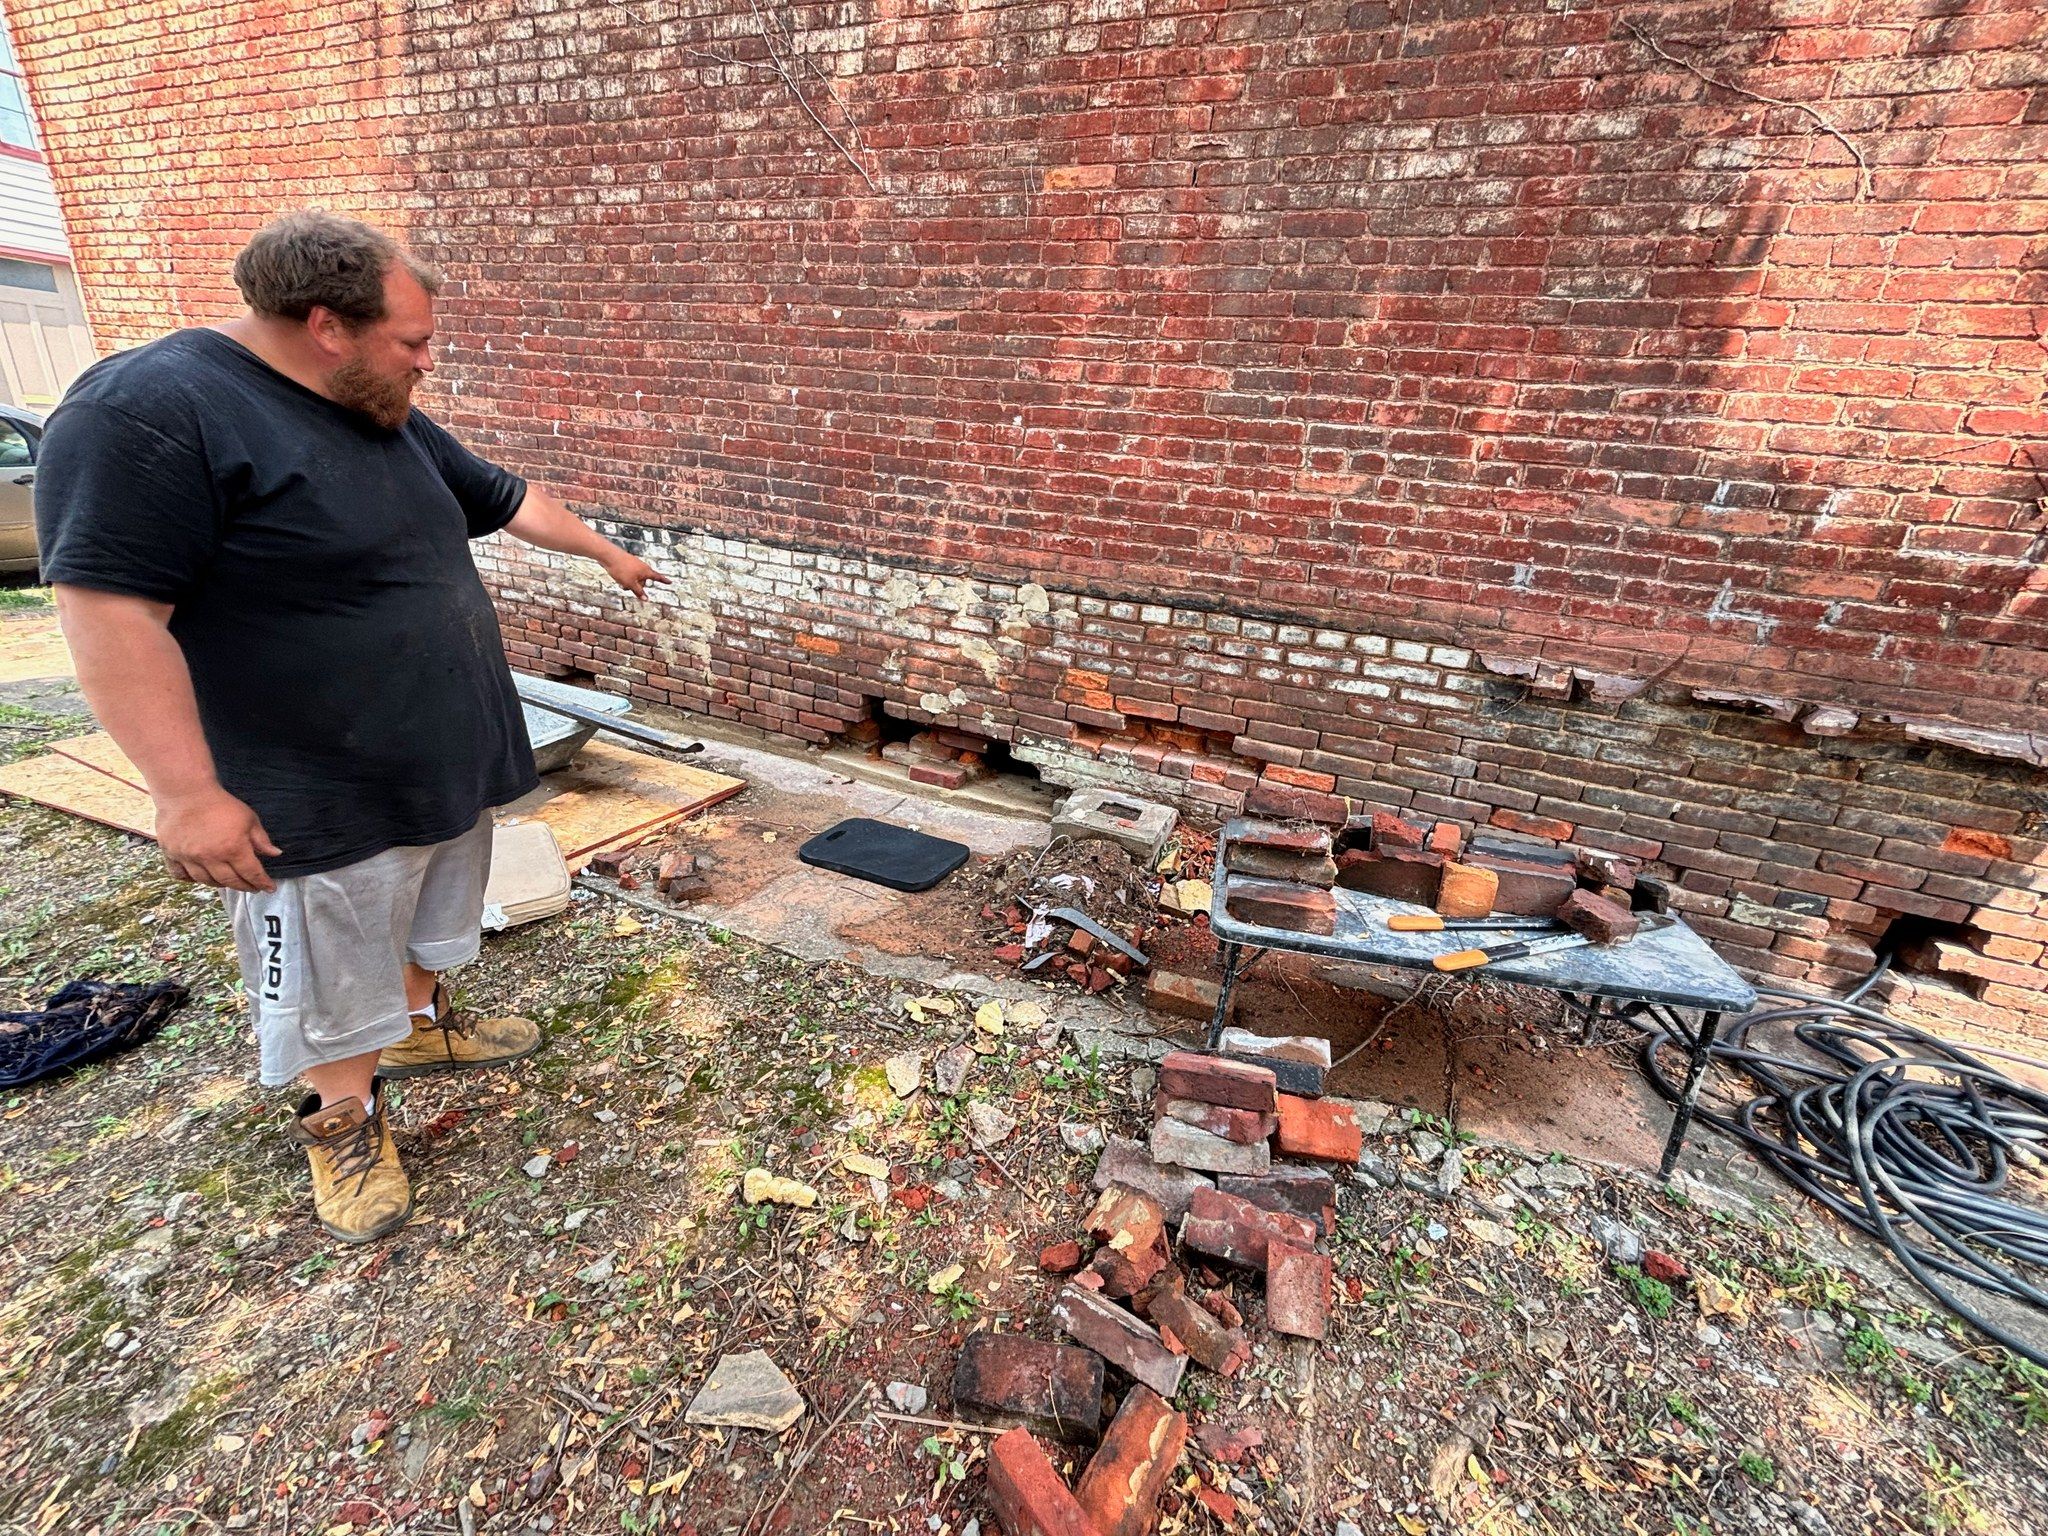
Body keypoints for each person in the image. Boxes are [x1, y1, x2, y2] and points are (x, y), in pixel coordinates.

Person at [35, 211, 668, 1242]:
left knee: (427, 921)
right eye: (412, 341)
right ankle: (341, 1118)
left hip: (437, 749)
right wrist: (188, 797)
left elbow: (504, 497)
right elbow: (109, 612)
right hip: (313, 778)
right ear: (327, 322)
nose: (427, 359)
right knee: (334, 961)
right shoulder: (150, 411)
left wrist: (605, 551)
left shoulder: (373, 405)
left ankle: (416, 1030)